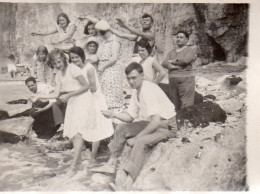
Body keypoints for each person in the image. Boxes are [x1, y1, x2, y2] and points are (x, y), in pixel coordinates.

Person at [91, 62, 178, 190]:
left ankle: (128, 183)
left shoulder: (148, 90)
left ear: (142, 75)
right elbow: (130, 116)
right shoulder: (136, 90)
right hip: (153, 123)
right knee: (121, 127)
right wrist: (113, 114)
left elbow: (156, 122)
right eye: (129, 78)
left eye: (134, 78)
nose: (131, 81)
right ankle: (111, 163)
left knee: (141, 142)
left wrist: (137, 138)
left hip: (167, 126)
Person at [33, 48, 89, 176]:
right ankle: (79, 162)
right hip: (71, 102)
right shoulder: (58, 74)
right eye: (55, 64)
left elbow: (86, 86)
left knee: (77, 133)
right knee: (72, 134)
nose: (58, 65)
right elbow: (56, 94)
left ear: (64, 59)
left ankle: (73, 166)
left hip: (82, 100)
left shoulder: (73, 69)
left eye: (59, 62)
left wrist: (69, 95)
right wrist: (39, 96)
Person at [69, 46, 114, 163]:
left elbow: (93, 88)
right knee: (80, 125)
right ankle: (80, 154)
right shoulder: (74, 69)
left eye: (76, 57)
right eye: (72, 58)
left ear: (82, 56)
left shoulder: (89, 68)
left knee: (96, 127)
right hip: (84, 98)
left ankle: (93, 158)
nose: (74, 60)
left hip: (94, 99)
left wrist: (80, 92)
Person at [95, 20, 124, 122]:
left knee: (112, 94)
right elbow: (99, 56)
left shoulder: (115, 41)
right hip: (103, 70)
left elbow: (114, 58)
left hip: (112, 69)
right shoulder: (103, 42)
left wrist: (103, 67)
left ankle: (116, 120)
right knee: (104, 94)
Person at [162, 31, 197, 111]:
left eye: (181, 37)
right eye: (177, 37)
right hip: (172, 80)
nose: (178, 39)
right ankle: (176, 122)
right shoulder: (171, 51)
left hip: (186, 80)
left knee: (186, 103)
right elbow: (164, 63)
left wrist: (172, 61)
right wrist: (174, 67)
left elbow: (185, 61)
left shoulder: (190, 50)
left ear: (187, 40)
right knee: (174, 104)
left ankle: (186, 120)